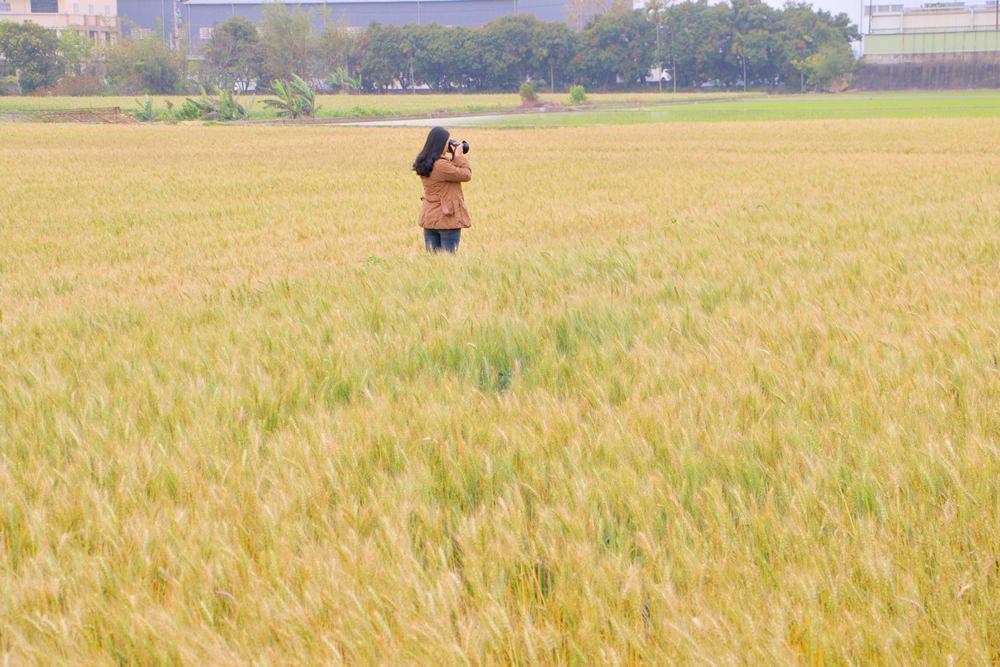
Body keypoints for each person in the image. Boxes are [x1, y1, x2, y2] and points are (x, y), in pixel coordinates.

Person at [412, 126, 472, 253]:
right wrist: (458, 155)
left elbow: (449, 171)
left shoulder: (424, 162)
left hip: (429, 218)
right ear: (441, 143)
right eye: (447, 141)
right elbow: (466, 175)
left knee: (433, 262)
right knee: (449, 260)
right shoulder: (441, 166)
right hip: (447, 218)